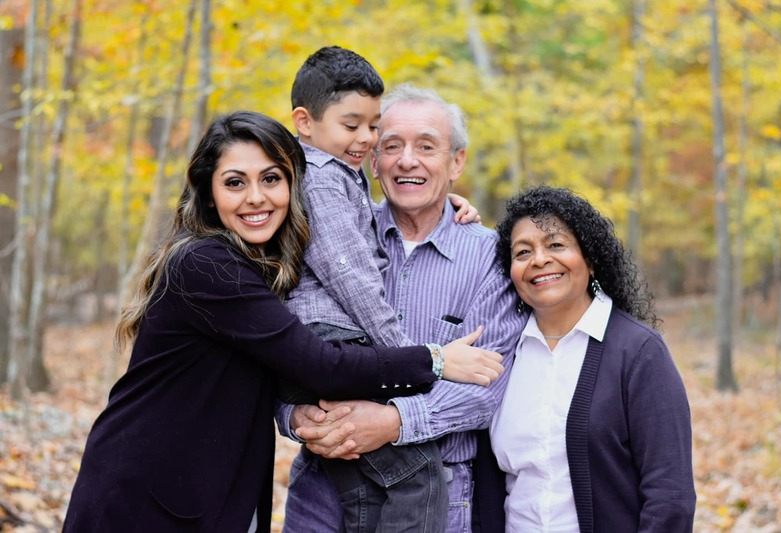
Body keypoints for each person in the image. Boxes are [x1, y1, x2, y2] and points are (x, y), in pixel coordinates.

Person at [62, 111, 505, 533]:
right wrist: (437, 360)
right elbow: (320, 366)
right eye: (235, 183)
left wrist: (443, 203)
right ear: (209, 193)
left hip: (207, 491)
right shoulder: (207, 265)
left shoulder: (264, 262)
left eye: (271, 179)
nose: (256, 197)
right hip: (148, 497)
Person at [281, 85, 527, 532]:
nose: (406, 160)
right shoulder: (328, 234)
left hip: (434, 500)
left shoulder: (492, 259)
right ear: (372, 161)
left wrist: (392, 422)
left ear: (456, 162)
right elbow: (281, 338)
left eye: (427, 147)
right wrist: (296, 417)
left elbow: (486, 389)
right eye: (391, 146)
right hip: (322, 492)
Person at [473, 185, 696, 532]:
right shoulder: (501, 353)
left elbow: (671, 496)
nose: (539, 260)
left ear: (590, 259)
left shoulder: (638, 352)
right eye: (522, 252)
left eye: (556, 244)